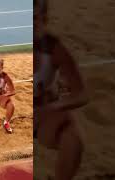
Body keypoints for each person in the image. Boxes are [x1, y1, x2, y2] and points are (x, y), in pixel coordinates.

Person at [34, 0, 89, 179]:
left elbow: (82, 94)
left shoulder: (53, 48)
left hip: (41, 114)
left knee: (73, 140)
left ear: (45, 20)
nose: (32, 24)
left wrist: (53, 107)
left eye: (36, 18)